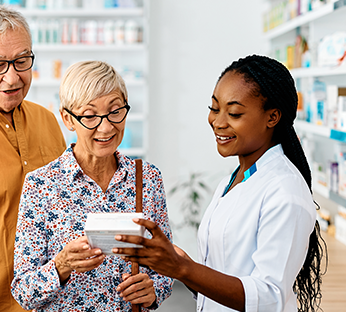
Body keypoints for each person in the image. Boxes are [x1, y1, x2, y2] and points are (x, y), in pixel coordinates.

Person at [112, 55, 326, 312]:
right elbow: (223, 274)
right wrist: (178, 263)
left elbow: (268, 296)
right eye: (214, 109)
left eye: (234, 113)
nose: (218, 122)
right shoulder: (232, 181)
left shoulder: (285, 190)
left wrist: (183, 268)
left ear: (272, 117)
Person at [11, 60, 173, 311]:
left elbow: (167, 266)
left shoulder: (148, 179)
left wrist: (153, 291)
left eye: (115, 111)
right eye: (89, 115)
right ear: (68, 119)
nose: (106, 127)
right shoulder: (40, 185)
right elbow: (23, 292)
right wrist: (61, 265)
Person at [0, 6, 66, 312]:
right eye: (0, 64)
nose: (12, 77)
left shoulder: (47, 120)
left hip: (52, 296)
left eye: (21, 61)